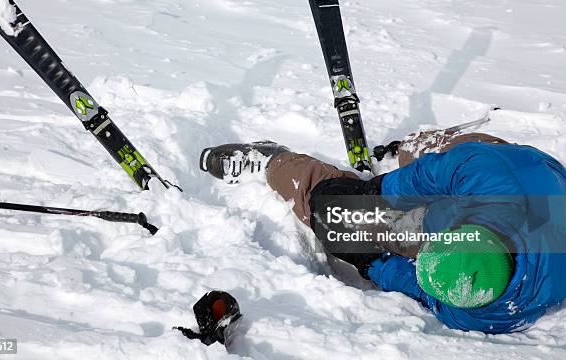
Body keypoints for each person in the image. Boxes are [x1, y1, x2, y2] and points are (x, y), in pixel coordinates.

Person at [199, 130, 566, 334]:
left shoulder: (479, 311)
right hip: (512, 167)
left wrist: (371, 261)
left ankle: (274, 162)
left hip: (522, 192)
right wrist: (378, 190)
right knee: (436, 156)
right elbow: (427, 177)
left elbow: (420, 287)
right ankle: (416, 145)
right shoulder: (488, 176)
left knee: (337, 217)